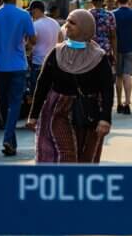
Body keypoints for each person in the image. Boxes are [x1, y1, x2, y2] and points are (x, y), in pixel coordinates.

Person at [30, 9, 114, 163]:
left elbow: (107, 89)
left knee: (86, 157)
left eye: (72, 23)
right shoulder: (56, 53)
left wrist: (105, 119)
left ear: (85, 27)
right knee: (67, 155)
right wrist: (33, 115)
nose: (67, 25)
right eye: (67, 21)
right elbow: (42, 84)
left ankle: (80, 186)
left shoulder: (98, 57)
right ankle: (64, 185)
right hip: (58, 112)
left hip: (89, 113)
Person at [0, 0, 36, 156]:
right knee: (14, 104)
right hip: (18, 65)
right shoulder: (24, 15)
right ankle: (8, 138)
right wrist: (25, 44)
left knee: (4, 104)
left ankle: (9, 141)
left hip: (0, 67)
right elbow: (33, 39)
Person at [29, 0, 62, 89]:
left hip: (38, 61)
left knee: (37, 90)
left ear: (36, 10)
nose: (31, 13)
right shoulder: (55, 23)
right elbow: (61, 40)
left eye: (31, 11)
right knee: (51, 90)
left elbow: (32, 42)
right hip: (53, 61)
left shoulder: (34, 25)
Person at [89, 0, 117, 70]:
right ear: (103, 1)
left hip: (90, 49)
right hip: (105, 49)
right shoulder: (109, 15)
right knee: (105, 73)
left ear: (92, 2)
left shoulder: (87, 14)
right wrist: (114, 53)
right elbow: (113, 36)